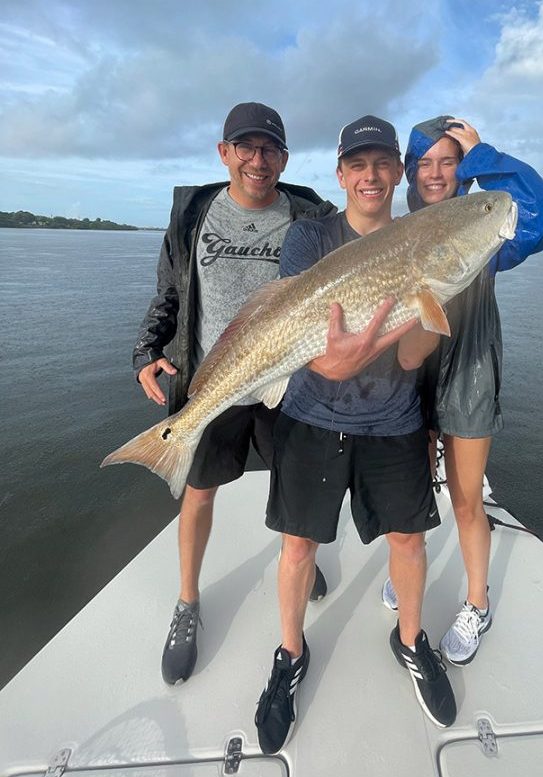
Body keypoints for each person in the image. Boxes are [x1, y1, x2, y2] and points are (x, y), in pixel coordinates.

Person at [254, 116, 456, 755]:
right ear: (341, 175)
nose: (370, 175)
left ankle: (411, 640)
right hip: (312, 417)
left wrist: (436, 292)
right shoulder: (309, 237)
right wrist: (330, 362)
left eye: (381, 164)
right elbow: (307, 342)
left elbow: (409, 359)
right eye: (357, 165)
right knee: (297, 546)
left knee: (409, 539)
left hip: (393, 419)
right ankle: (290, 653)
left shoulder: (421, 237)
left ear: (398, 173)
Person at [132, 102, 335, 685]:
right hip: (212, 381)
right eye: (245, 147)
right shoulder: (194, 214)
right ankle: (187, 602)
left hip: (289, 382)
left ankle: (298, 562)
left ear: (286, 159)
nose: (257, 159)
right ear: (223, 153)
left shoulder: (310, 217)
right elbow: (169, 290)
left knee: (294, 489)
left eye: (270, 148)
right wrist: (147, 350)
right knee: (197, 495)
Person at [381, 116, 543, 666]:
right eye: (424, 163)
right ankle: (410, 572)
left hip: (470, 368)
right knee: (408, 492)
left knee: (464, 497)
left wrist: (483, 153)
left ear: (463, 170)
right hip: (410, 372)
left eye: (448, 161)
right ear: (411, 172)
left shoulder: (485, 227)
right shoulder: (395, 230)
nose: (436, 173)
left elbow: (538, 217)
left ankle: (476, 603)